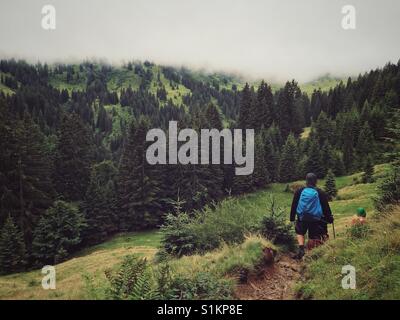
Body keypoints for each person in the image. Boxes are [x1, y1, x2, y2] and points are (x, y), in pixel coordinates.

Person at [290, 173, 334, 259]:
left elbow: (294, 205)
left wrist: (292, 218)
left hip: (302, 218)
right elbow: (325, 207)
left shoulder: (299, 191)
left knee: (300, 232)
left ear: (306, 181)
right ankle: (311, 253)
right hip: (316, 219)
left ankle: (301, 249)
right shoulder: (320, 192)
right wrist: (330, 219)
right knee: (313, 235)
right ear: (315, 181)